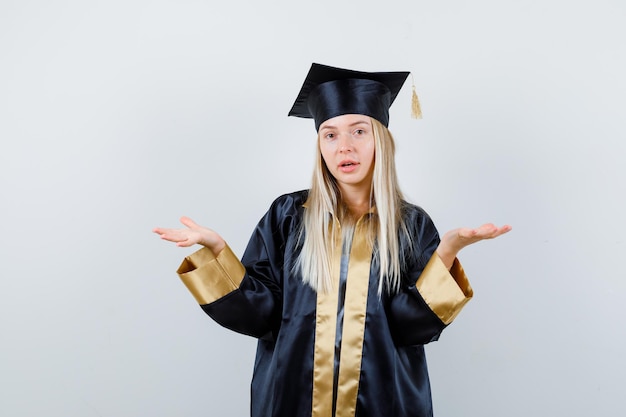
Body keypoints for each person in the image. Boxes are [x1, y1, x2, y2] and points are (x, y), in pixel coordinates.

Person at [153, 63, 511, 417]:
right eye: (330, 134)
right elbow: (260, 316)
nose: (344, 147)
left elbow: (410, 327)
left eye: (358, 132)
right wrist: (217, 251)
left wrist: (447, 253)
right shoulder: (288, 216)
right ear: (319, 145)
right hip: (292, 400)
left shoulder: (410, 226)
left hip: (382, 402)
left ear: (381, 141)